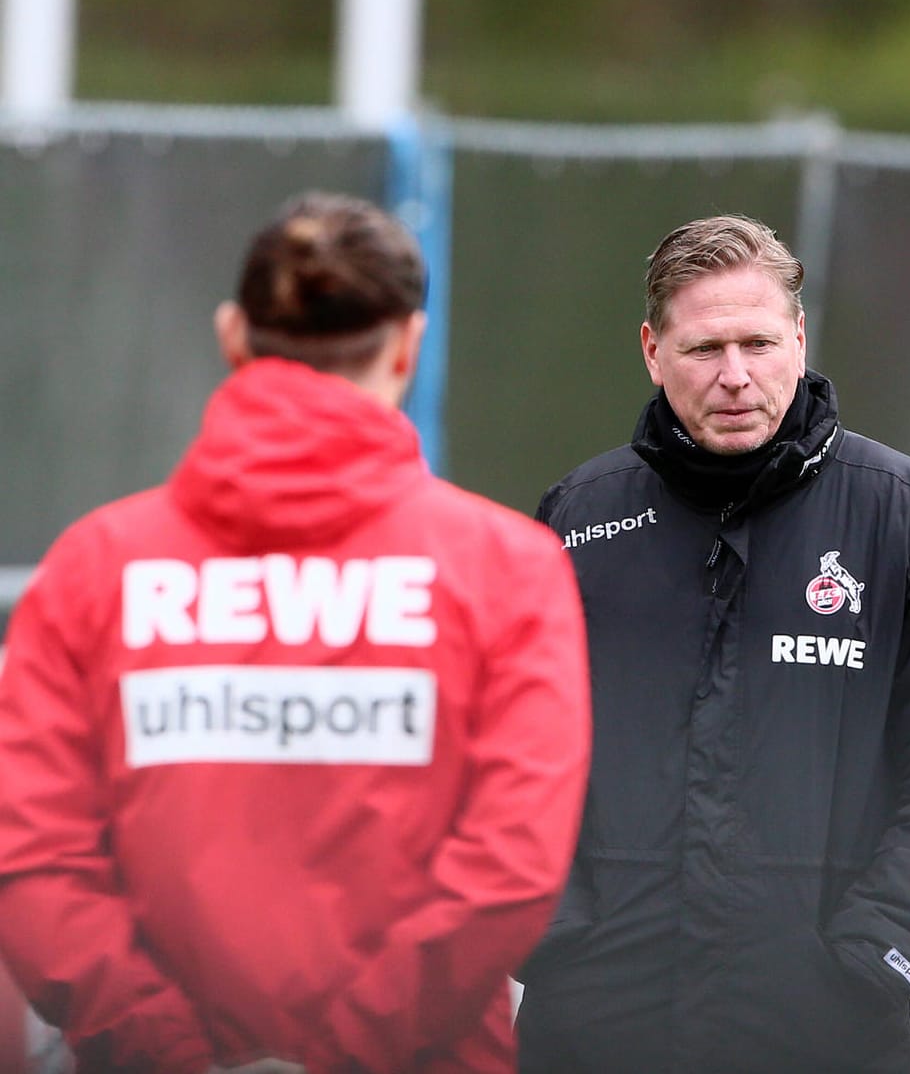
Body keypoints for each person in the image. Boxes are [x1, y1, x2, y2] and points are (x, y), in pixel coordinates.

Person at [0, 192, 593, 1073]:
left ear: (233, 335)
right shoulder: (507, 568)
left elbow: (35, 858)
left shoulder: (96, 568)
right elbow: (510, 870)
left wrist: (167, 1049)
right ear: (407, 345)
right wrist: (345, 1049)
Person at [514, 213, 910, 1073]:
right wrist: (552, 936)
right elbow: (503, 755)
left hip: (827, 1027)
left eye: (759, 344)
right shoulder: (577, 521)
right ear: (652, 350)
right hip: (597, 1027)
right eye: (704, 350)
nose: (735, 377)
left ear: (800, 339)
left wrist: (882, 952)